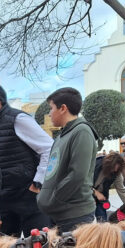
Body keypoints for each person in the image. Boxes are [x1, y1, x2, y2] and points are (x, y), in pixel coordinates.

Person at [0, 84, 53, 236]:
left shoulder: (19, 119)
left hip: (29, 198)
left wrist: (38, 183)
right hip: (5, 199)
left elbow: (49, 148)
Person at [37, 87, 98, 233]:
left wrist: (54, 199)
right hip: (59, 215)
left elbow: (77, 175)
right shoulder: (61, 136)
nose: (49, 113)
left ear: (63, 108)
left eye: (51, 108)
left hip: (76, 217)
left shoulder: (82, 131)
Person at [92, 152, 125, 222]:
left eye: (117, 168)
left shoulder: (117, 172)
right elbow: (83, 183)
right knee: (86, 222)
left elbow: (122, 190)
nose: (115, 170)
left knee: (103, 222)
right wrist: (95, 192)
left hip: (101, 199)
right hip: (86, 194)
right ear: (109, 164)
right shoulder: (95, 164)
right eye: (114, 167)